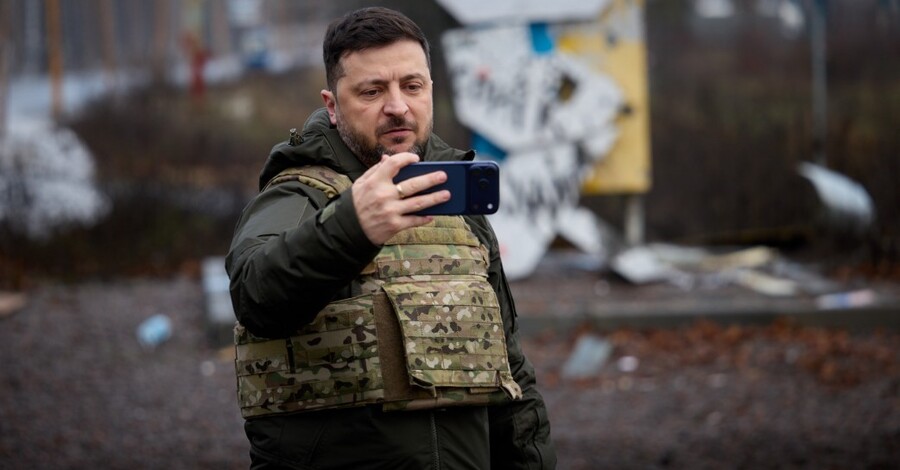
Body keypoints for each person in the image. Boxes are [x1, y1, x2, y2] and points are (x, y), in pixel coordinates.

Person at [226, 7, 556, 469]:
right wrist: (352, 226)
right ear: (332, 105)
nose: (398, 106)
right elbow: (254, 293)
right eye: (373, 90)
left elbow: (510, 373)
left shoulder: (454, 203)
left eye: (412, 86)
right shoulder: (300, 193)